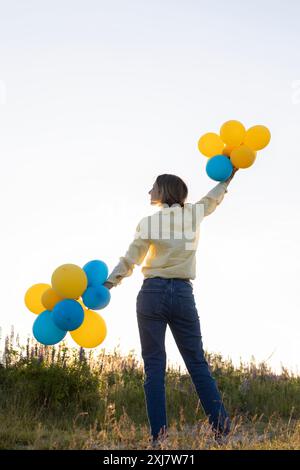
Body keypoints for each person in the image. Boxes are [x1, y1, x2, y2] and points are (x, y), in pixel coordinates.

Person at [104, 168, 238, 447]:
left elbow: (131, 258)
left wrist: (109, 282)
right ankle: (223, 432)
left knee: (154, 367)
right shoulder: (193, 214)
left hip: (152, 293)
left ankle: (159, 439)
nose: (149, 191)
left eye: (152, 187)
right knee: (198, 363)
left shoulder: (148, 223)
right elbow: (213, 198)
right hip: (182, 293)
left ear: (163, 191)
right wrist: (229, 175)